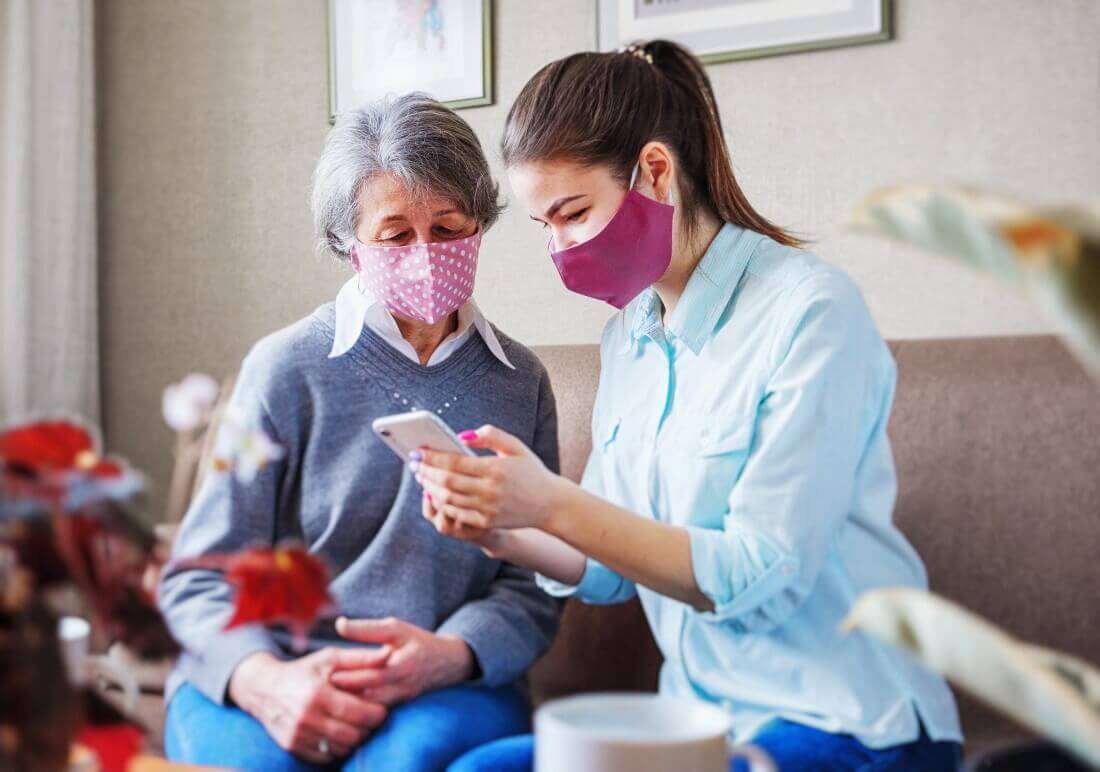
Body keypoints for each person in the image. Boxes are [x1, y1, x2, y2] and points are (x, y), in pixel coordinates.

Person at [414, 40, 965, 772]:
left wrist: (551, 502)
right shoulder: (630, 339)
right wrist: (505, 522)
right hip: (699, 721)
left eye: (572, 212)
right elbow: (611, 565)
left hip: (852, 721)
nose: (560, 249)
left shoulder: (812, 313)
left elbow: (758, 576)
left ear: (654, 170)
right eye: (544, 225)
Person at [158, 93, 560, 772]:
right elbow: (198, 577)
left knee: (411, 761)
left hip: (442, 685)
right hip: (268, 668)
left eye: (449, 227)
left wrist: (452, 655)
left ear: (482, 225)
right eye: (397, 234)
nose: (427, 253)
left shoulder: (519, 381)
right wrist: (266, 681)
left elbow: (533, 580)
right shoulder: (283, 369)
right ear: (350, 246)